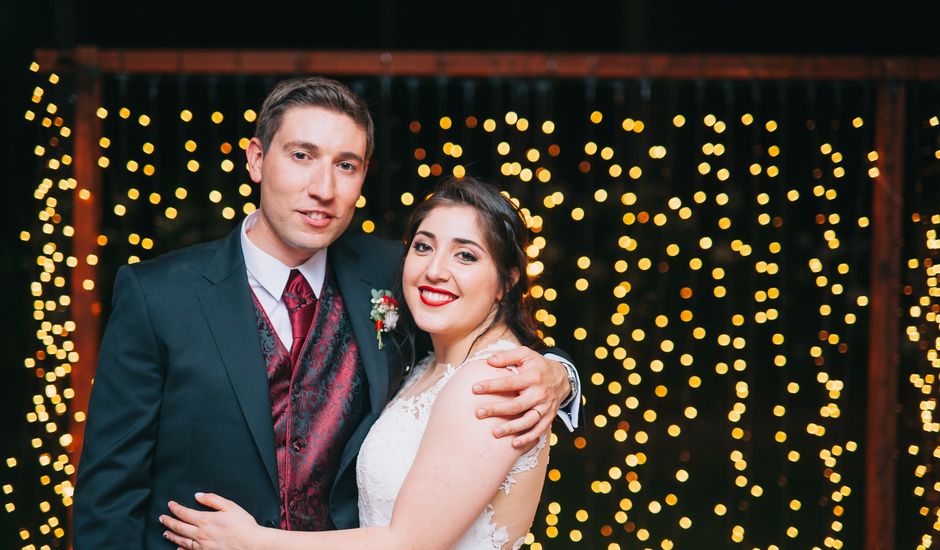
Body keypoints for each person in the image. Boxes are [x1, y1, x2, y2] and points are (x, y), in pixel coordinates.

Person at [74, 77, 581, 549]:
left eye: (346, 164)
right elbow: (110, 493)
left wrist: (560, 374)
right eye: (302, 155)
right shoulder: (158, 294)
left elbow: (489, 329)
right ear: (256, 159)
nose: (324, 187)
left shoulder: (398, 272)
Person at [162, 176, 552, 549]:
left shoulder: (492, 384)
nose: (435, 270)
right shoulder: (425, 362)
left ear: (506, 281)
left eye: (466, 255)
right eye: (423, 246)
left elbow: (410, 543)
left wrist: (252, 542)